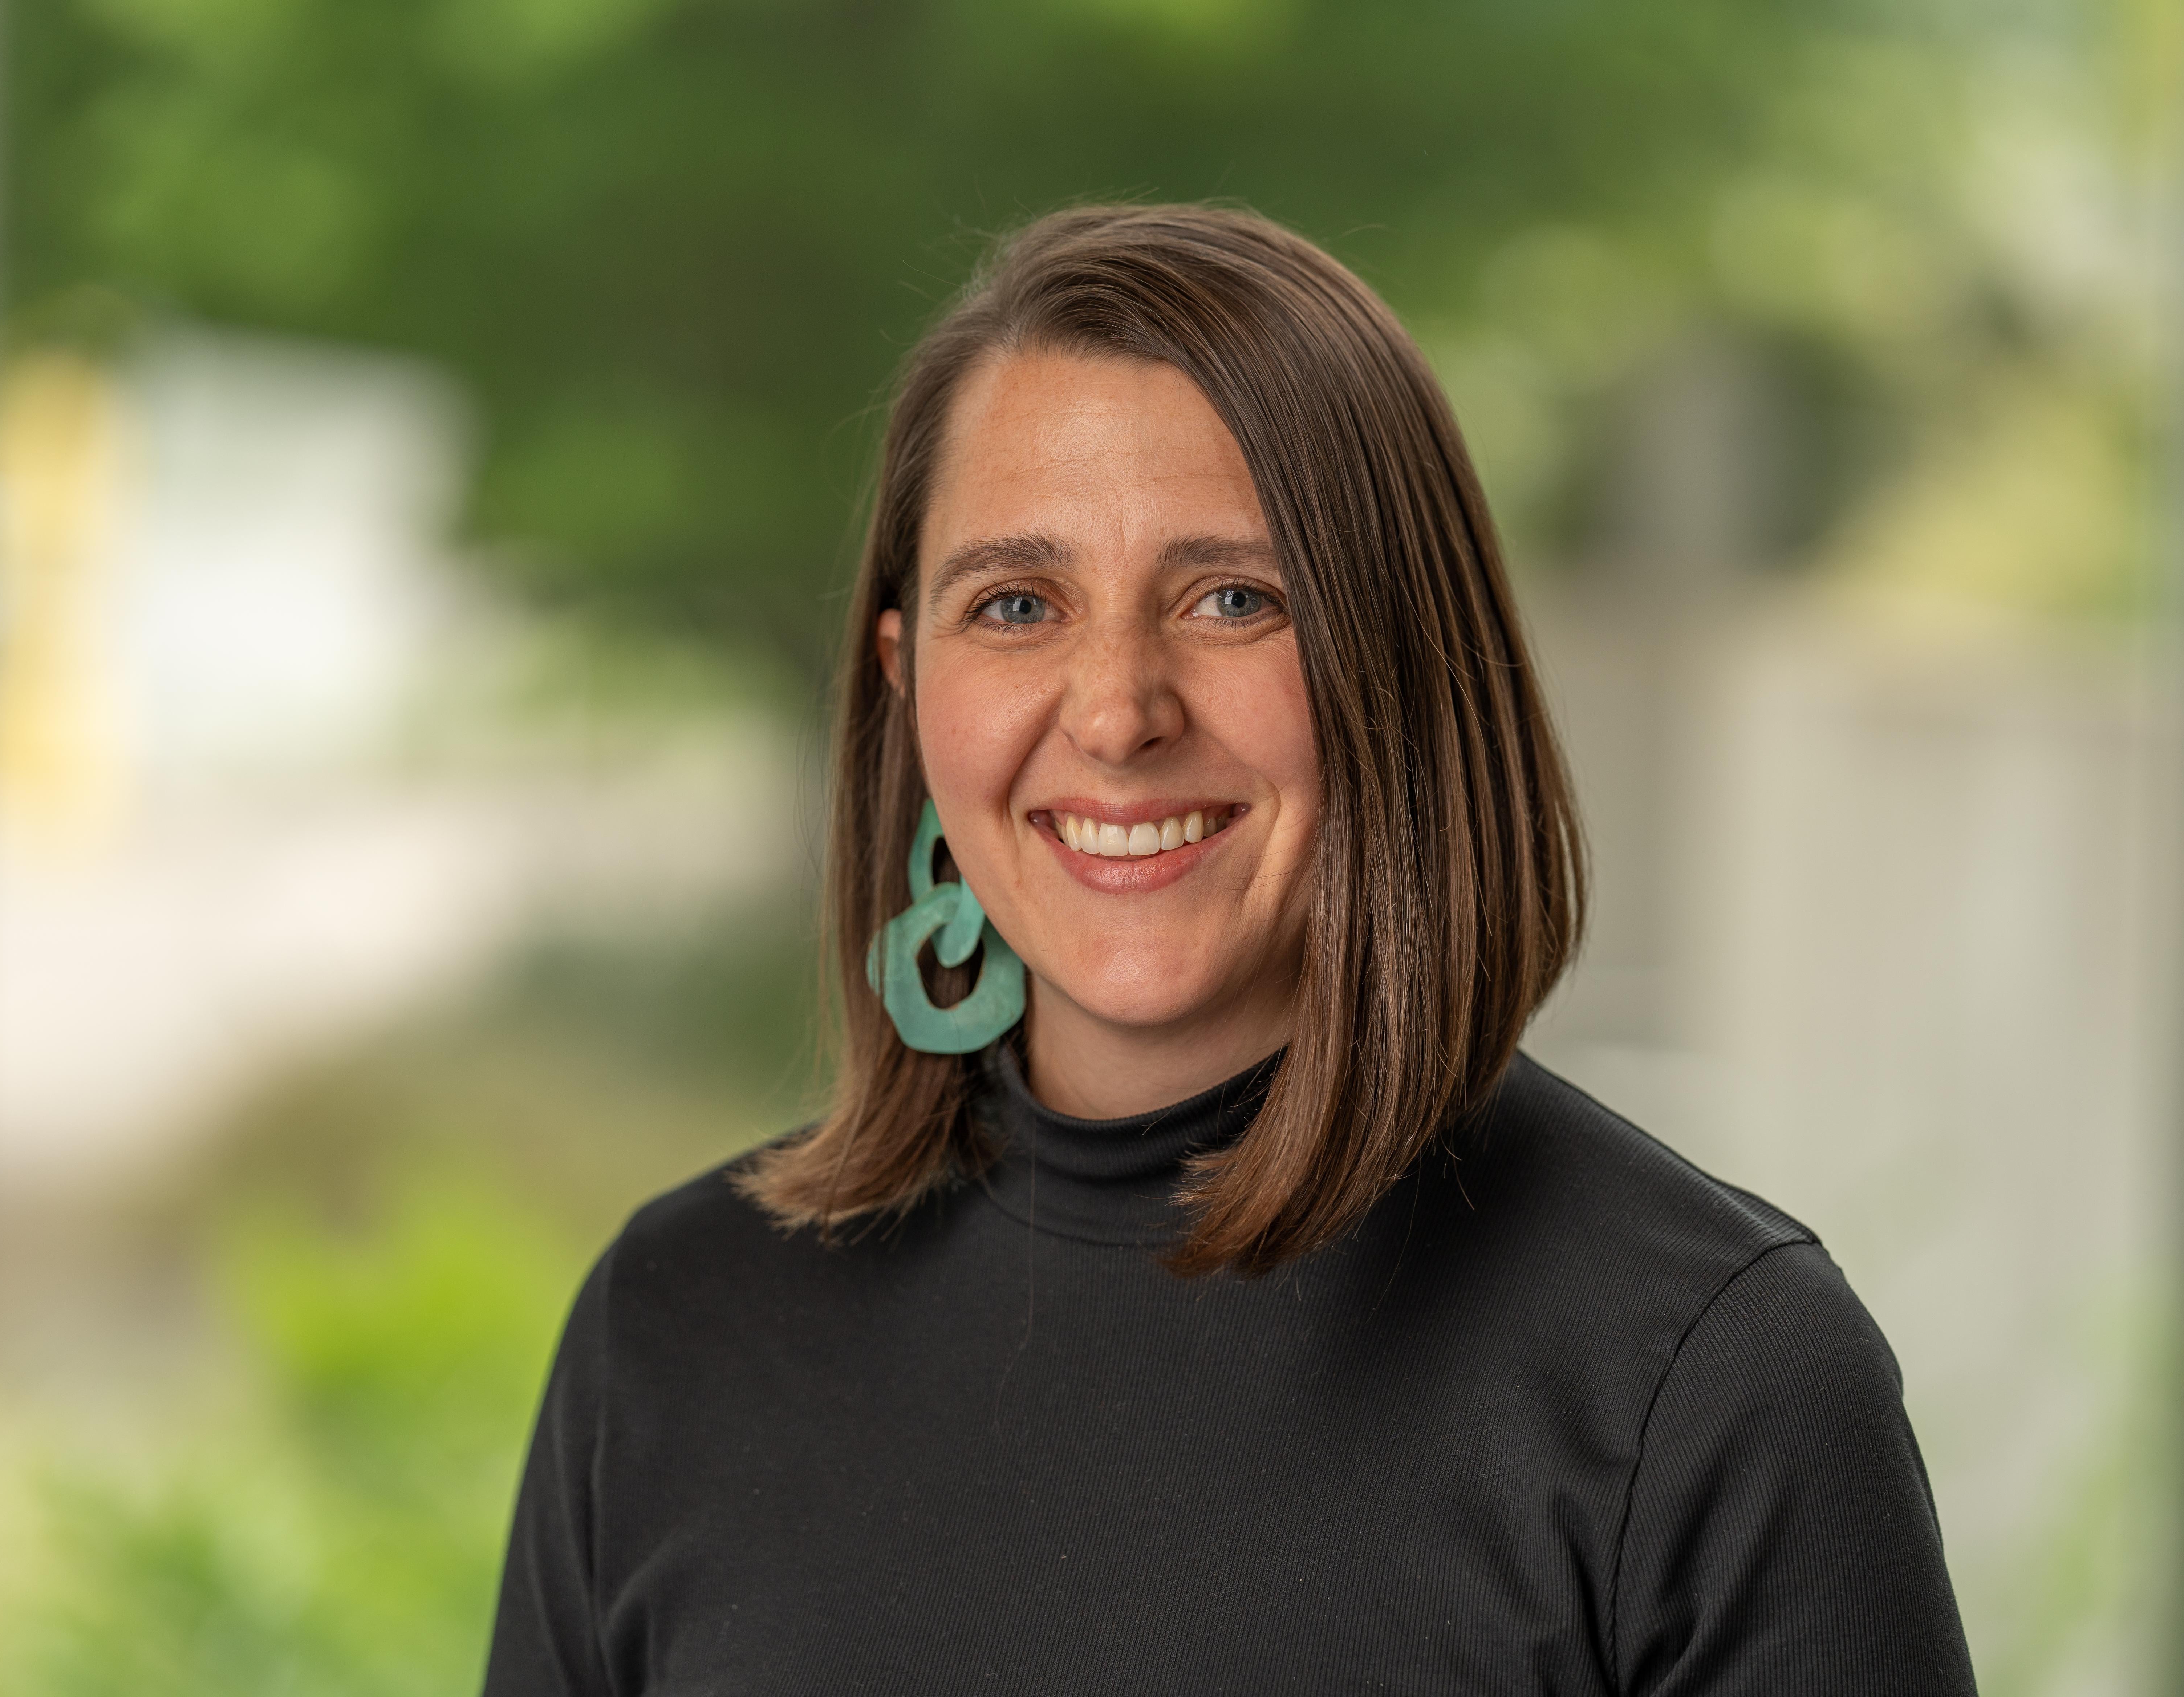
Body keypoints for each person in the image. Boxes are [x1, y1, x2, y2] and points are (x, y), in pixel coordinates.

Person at [482, 203, 1976, 1695]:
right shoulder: (675, 1331)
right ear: (906, 681)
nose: (1120, 710)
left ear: (1403, 663)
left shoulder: (1717, 1382)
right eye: (1016, 604)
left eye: (1234, 599)